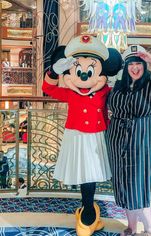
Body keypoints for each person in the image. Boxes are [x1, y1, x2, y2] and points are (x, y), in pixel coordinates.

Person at [42, 35, 122, 236]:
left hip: (95, 137)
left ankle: (88, 214)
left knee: (91, 175)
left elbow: (121, 98)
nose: (84, 76)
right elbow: (47, 88)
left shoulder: (105, 91)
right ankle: (88, 212)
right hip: (76, 136)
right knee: (81, 173)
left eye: (90, 70)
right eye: (79, 71)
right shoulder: (71, 93)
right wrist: (54, 71)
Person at [106, 45, 151, 235]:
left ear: (145, 65)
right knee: (123, 184)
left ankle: (149, 226)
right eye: (131, 64)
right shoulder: (120, 85)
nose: (135, 68)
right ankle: (132, 227)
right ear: (126, 66)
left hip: (142, 141)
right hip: (118, 141)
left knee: (137, 186)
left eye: (139, 64)